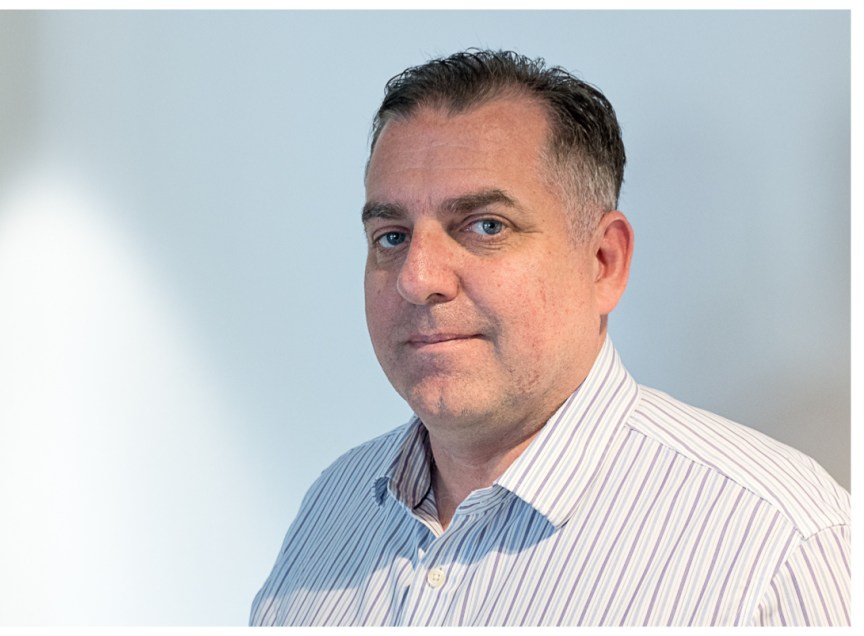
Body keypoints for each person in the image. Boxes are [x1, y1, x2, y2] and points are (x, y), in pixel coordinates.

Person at [249, 49, 850, 626]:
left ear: (603, 262)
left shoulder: (779, 546)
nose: (418, 278)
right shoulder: (332, 511)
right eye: (391, 236)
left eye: (486, 226)